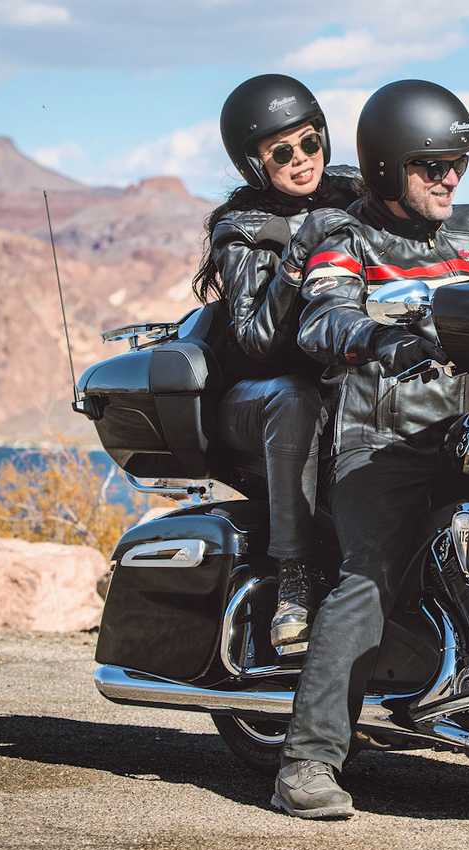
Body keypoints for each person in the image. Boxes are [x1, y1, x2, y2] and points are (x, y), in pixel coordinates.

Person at [270, 79, 469, 819]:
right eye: (433, 166)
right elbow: (321, 321)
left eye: (459, 164)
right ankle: (308, 761)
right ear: (385, 169)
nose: (451, 178)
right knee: (370, 574)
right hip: (384, 438)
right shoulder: (343, 240)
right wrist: (377, 336)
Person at [191, 73, 362, 651]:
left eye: (310, 143)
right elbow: (256, 338)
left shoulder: (352, 193)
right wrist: (297, 252)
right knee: (296, 395)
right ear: (255, 163)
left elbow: (414, 231)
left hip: (340, 378)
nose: (301, 161)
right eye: (281, 152)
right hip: (254, 397)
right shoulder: (240, 228)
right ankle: (294, 579)